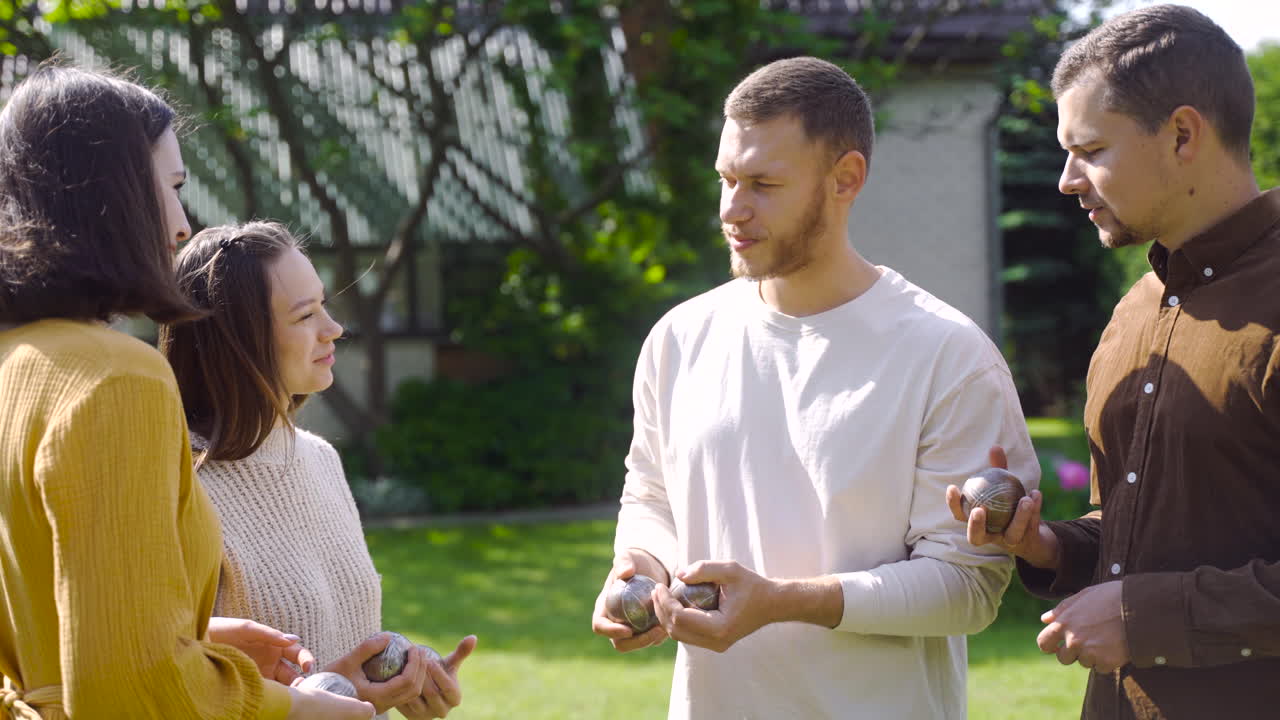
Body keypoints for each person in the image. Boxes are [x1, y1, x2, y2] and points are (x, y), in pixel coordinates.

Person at [590, 56, 1040, 719]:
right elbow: (651, 492)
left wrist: (784, 600)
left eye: (764, 184)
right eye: (726, 179)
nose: (732, 210)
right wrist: (641, 566)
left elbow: (966, 587)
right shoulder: (679, 338)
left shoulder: (946, 353)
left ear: (846, 179)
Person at [0, 66, 374, 718]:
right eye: (171, 187)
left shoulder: (17, 362)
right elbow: (134, 690)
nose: (180, 225)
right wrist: (301, 710)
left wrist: (196, 639)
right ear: (110, 197)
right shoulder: (117, 378)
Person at [947, 5, 1280, 718]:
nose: (1068, 179)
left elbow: (1148, 595)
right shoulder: (1135, 309)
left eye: (1091, 149)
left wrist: (1145, 619)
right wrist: (1047, 546)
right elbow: (1146, 531)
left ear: (1183, 135)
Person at [157, 221, 476, 719]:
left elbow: (337, 639)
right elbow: (165, 682)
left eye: (323, 305)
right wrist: (334, 693)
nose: (334, 328)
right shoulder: (177, 483)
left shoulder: (320, 459)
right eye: (305, 315)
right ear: (237, 340)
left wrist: (397, 680)